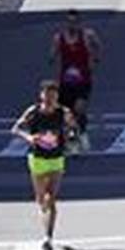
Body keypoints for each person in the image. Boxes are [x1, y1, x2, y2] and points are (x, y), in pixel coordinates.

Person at [11, 81, 77, 250]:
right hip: (38, 159)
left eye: (53, 96)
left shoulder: (63, 112)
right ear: (41, 95)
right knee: (41, 200)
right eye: (47, 96)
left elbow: (73, 127)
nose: (49, 100)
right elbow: (15, 128)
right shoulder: (33, 112)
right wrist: (29, 137)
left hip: (56, 158)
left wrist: (70, 135)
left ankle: (48, 238)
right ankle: (45, 225)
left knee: (51, 199)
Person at [50, 10, 101, 153]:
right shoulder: (59, 37)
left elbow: (97, 45)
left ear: (79, 23)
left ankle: (82, 133)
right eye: (69, 22)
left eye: (75, 22)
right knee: (67, 113)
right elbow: (53, 52)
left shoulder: (87, 35)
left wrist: (95, 57)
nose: (72, 25)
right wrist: (52, 57)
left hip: (83, 79)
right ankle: (70, 139)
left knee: (79, 108)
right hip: (66, 81)